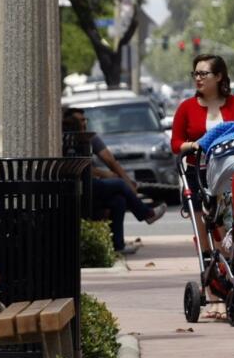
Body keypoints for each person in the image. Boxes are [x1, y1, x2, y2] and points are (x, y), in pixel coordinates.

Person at [170, 54, 234, 312]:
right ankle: (212, 293)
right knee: (204, 234)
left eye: (203, 73)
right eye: (195, 73)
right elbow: (175, 143)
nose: (198, 78)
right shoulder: (186, 107)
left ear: (218, 77)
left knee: (227, 233)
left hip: (231, 176)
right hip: (198, 173)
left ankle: (229, 285)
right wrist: (194, 145)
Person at [64, 107, 165, 254]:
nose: (83, 123)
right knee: (119, 184)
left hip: (89, 188)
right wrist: (107, 175)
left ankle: (118, 247)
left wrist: (126, 181)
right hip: (75, 189)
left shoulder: (89, 137)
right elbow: (74, 167)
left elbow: (110, 160)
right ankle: (146, 214)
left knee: (119, 201)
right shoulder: (64, 139)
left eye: (85, 120)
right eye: (79, 121)